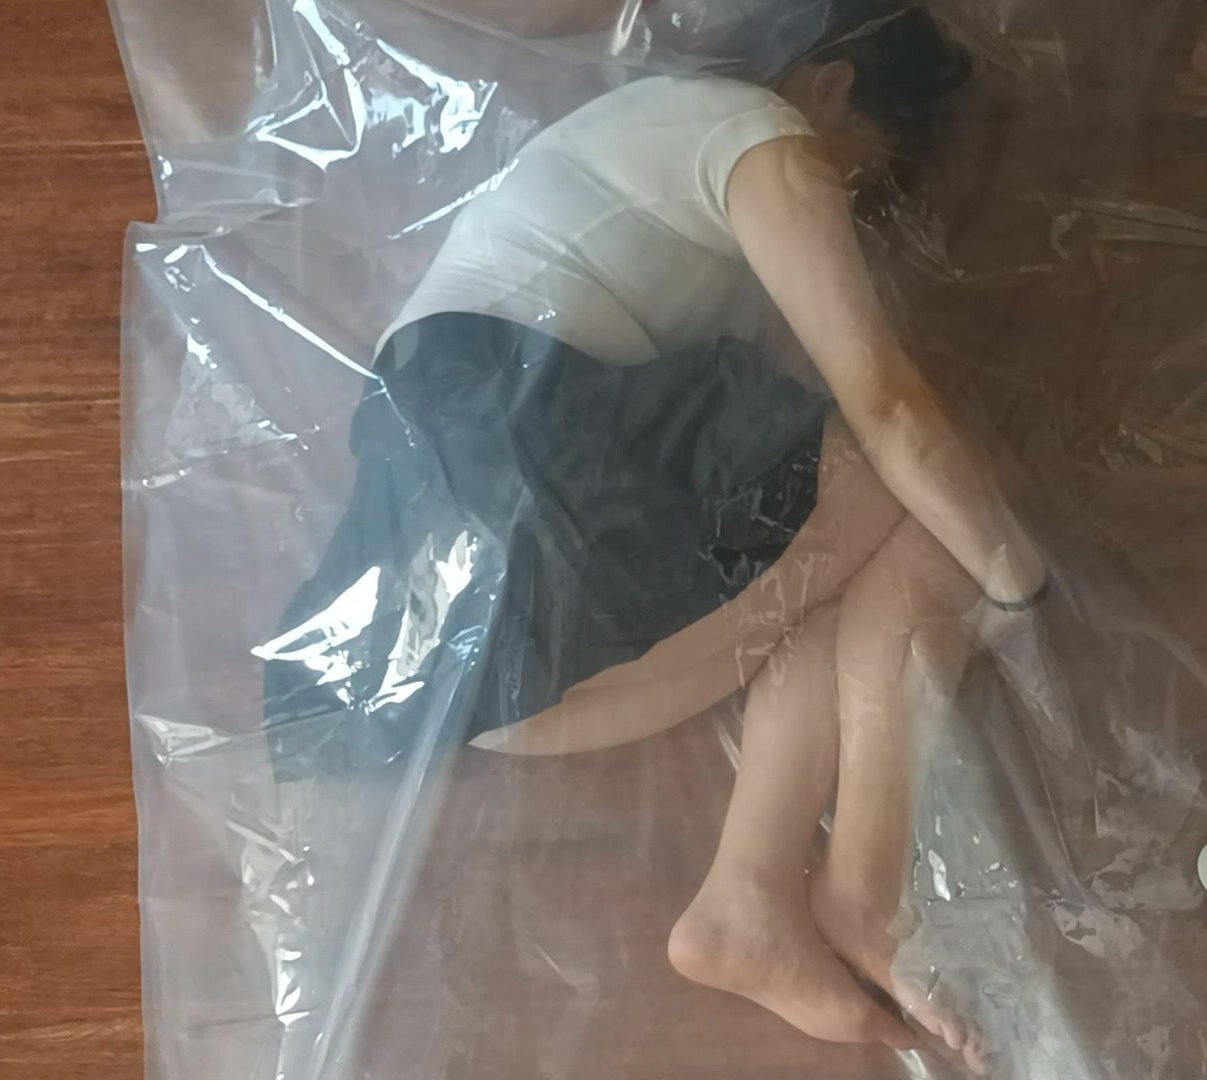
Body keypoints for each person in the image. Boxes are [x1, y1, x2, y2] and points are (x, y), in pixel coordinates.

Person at [262, 3, 1044, 1072]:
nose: (850, 204)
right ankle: (861, 894)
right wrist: (1024, 587)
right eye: (862, 169)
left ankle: (751, 898)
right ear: (830, 84)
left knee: (854, 555)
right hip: (528, 504)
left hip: (460, 673)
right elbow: (891, 412)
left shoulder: (645, 171)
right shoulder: (753, 131)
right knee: (931, 507)